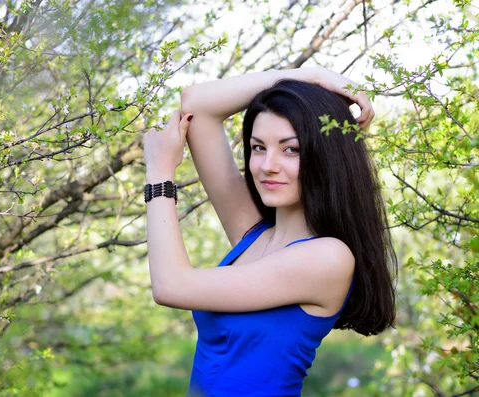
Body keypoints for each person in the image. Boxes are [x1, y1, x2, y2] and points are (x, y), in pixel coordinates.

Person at [142, 67, 397, 397]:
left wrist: (159, 172)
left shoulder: (328, 258)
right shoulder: (254, 236)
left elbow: (169, 285)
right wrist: (310, 75)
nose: (267, 166)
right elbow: (197, 104)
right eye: (258, 147)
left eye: (291, 149)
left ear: (327, 156)